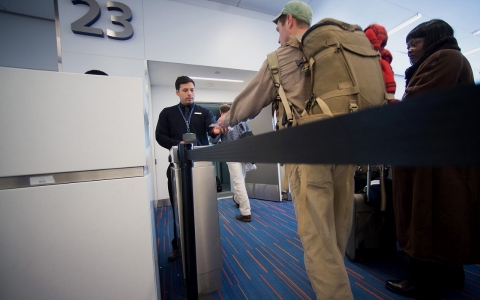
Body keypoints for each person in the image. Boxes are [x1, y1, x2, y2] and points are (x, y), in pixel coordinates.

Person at [218, 2, 355, 299]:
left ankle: (334, 292)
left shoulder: (281, 57)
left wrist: (226, 119)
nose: (278, 35)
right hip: (346, 148)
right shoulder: (337, 50)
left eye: (278, 27)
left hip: (308, 154)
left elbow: (250, 101)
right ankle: (333, 275)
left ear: (288, 21)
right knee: (338, 224)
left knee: (316, 235)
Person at [385, 19, 480, 299]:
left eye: (415, 43)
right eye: (408, 45)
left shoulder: (445, 57)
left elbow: (420, 102)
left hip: (434, 163)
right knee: (445, 215)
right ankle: (450, 275)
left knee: (426, 215)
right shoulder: (451, 59)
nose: (410, 50)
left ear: (434, 39)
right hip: (442, 158)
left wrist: (392, 107)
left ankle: (421, 281)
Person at [155, 75, 226, 262]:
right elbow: (160, 136)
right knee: (178, 208)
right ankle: (178, 246)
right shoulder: (167, 113)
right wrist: (178, 143)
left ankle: (205, 242)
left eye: (192, 89)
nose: (190, 93)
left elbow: (212, 130)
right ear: (177, 92)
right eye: (185, 90)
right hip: (177, 167)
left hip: (201, 169)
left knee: (204, 206)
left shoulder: (203, 112)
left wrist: (217, 131)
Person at [216, 103, 255, 222]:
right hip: (244, 154)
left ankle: (246, 212)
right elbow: (250, 137)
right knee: (241, 181)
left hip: (232, 155)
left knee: (238, 182)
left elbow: (214, 139)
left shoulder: (222, 123)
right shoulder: (241, 122)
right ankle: (237, 200)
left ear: (221, 113)